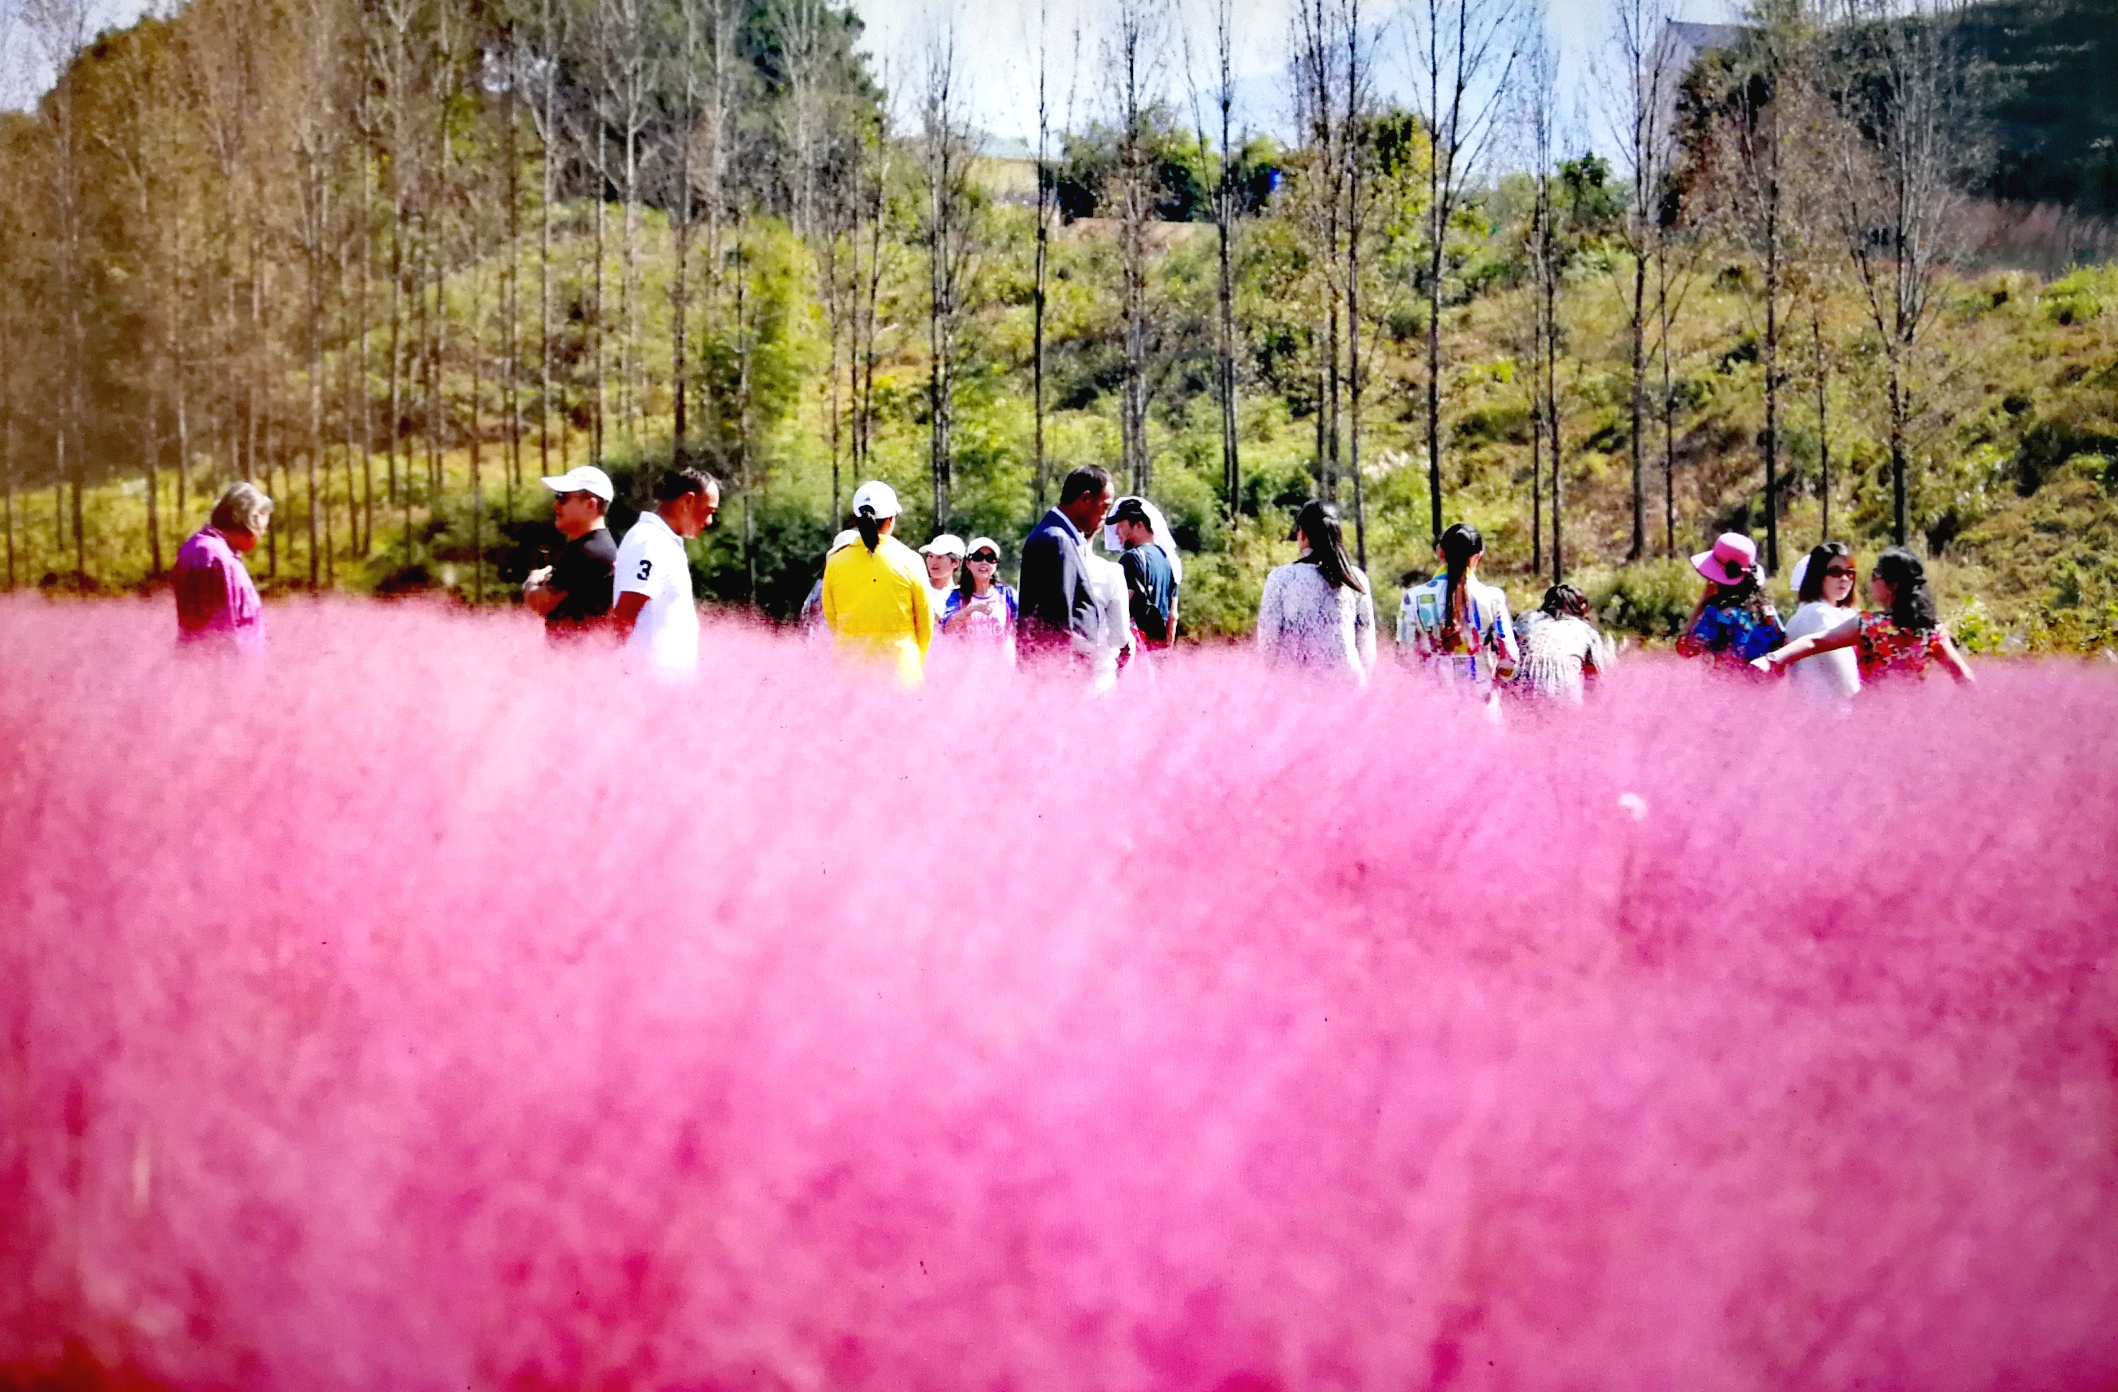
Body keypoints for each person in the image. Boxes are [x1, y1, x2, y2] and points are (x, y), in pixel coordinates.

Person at [1754, 546, 1974, 686]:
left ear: (1892, 585)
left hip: (1871, 723)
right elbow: (1965, 679)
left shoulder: (1871, 626)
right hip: (1914, 724)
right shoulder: (1933, 630)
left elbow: (1815, 642)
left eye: (1875, 575)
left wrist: (1773, 659)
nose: (1869, 582)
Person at [821, 480, 934, 686]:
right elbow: (925, 623)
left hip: (848, 673)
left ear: (855, 519)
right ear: (891, 519)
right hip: (901, 674)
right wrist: (915, 662)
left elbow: (832, 619)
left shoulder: (835, 562)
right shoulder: (910, 560)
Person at [1399, 522, 1519, 708]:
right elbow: (1510, 655)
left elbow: (1404, 657)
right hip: (1482, 700)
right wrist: (1497, 682)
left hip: (1433, 703)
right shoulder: (1493, 598)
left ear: (1440, 553)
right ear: (1478, 557)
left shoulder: (1412, 598)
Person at [1255, 499, 1376, 683]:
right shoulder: (1355, 578)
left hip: (1297, 684)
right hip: (1349, 682)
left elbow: (1268, 642)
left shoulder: (1281, 578)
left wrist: (1272, 678)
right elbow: (1366, 640)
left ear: (1302, 534)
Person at [613, 467, 718, 675]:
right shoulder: (650, 541)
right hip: (648, 687)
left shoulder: (661, 541)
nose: (709, 521)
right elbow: (625, 614)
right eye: (709, 511)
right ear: (687, 501)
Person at [1017, 465, 1114, 667]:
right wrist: (1062, 677)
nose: (1105, 516)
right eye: (1104, 507)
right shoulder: (1056, 540)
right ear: (1085, 499)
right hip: (1058, 674)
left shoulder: (1059, 536)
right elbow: (1056, 621)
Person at [173, 481, 271, 653]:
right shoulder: (213, 555)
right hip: (224, 671)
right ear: (250, 518)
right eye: (263, 523)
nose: (263, 531)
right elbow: (218, 631)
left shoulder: (207, 549)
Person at [522, 465, 617, 640]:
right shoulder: (595, 547)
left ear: (591, 504)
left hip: (578, 658)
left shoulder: (588, 551)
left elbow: (541, 603)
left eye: (562, 498)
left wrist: (533, 580)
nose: (556, 505)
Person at [1675, 532, 1783, 671]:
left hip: (1722, 690)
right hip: (1763, 689)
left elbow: (1684, 649)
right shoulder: (1768, 612)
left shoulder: (1716, 615)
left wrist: (1703, 600)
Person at [1779, 542, 1862, 701]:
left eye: (1850, 573)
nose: (1844, 579)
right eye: (1835, 572)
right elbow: (1846, 680)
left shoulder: (1807, 613)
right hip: (1833, 715)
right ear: (1817, 575)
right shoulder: (1819, 615)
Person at [1515, 584, 1612, 705]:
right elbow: (1596, 679)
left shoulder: (1528, 625)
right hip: (1563, 697)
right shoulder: (1586, 631)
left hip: (1523, 695)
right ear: (1580, 607)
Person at [1106, 497, 1176, 651]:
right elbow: (1173, 617)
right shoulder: (1168, 561)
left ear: (1138, 525)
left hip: (1137, 652)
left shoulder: (1132, 558)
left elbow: (1120, 609)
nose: (1117, 532)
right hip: (1158, 652)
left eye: (1121, 525)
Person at [941, 536, 1018, 649]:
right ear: (968, 563)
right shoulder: (957, 596)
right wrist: (971, 609)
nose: (984, 562)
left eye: (990, 558)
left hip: (1001, 664)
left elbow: (1025, 624)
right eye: (978, 557)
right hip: (967, 664)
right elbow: (948, 629)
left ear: (996, 564)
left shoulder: (1007, 594)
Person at [919, 534, 965, 625]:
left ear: (955, 562)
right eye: (930, 556)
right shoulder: (918, 586)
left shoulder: (961, 596)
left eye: (939, 557)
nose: (933, 562)